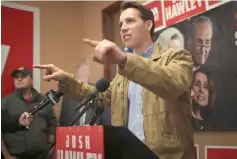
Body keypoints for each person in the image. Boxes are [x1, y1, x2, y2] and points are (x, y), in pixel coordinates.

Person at [34, 2, 194, 159]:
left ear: (148, 24)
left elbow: (173, 83)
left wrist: (124, 60)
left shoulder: (178, 57)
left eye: (130, 21)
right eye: (121, 24)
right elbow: (97, 99)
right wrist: (67, 79)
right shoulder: (122, 76)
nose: (123, 27)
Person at [1, 67, 57, 159]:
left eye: (23, 76)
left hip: (41, 155)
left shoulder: (44, 100)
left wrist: (50, 147)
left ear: (31, 79)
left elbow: (52, 123)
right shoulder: (5, 102)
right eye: (16, 77)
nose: (19, 79)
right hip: (15, 156)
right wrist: (6, 155)